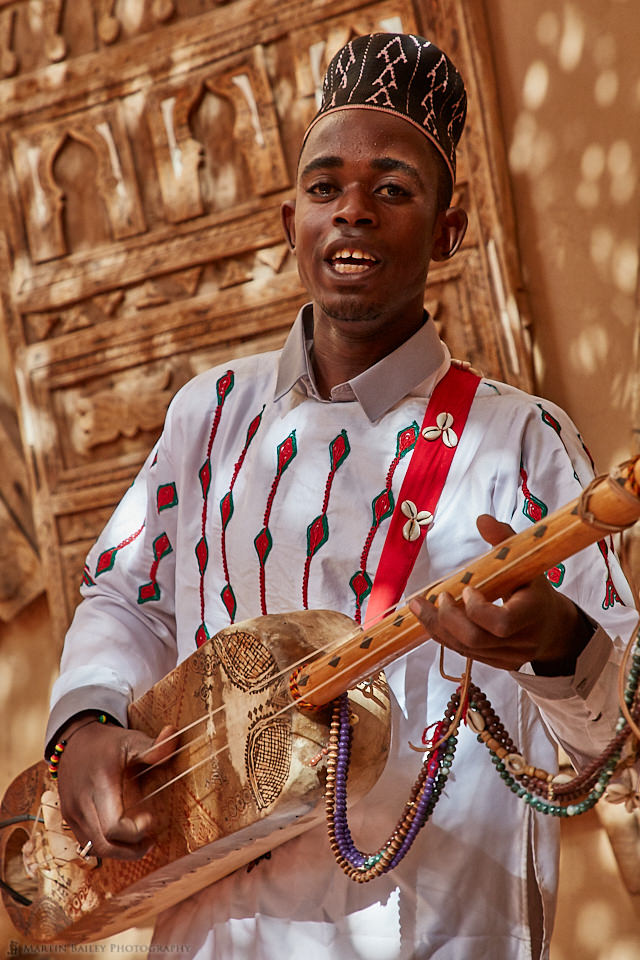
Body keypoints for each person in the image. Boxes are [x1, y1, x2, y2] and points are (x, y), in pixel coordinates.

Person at [46, 33, 638, 960]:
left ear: (450, 229)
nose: (353, 210)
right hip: (215, 937)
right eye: (325, 187)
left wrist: (553, 642)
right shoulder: (209, 415)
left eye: (394, 189)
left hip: (432, 930)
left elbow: (619, 732)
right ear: (290, 222)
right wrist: (84, 725)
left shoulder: (521, 443)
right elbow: (127, 594)